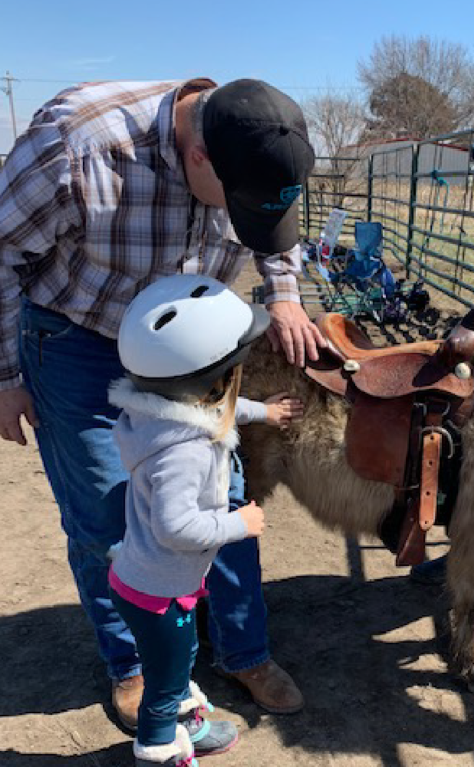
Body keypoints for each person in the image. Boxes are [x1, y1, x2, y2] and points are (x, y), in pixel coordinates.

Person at [0, 77, 325, 727]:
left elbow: (273, 231)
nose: (246, 222)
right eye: (238, 206)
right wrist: (6, 373)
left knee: (222, 494)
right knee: (107, 512)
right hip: (79, 337)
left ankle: (242, 649)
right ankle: (135, 664)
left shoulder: (254, 141)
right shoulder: (77, 145)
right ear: (197, 156)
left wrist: (284, 292)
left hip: (188, 347)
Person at [109, 274, 303, 766]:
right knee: (167, 676)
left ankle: (184, 718)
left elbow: (220, 411)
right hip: (160, 592)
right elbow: (176, 528)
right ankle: (162, 748)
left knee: (177, 660)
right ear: (217, 381)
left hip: (150, 582)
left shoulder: (162, 414)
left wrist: (263, 412)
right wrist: (241, 525)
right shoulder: (186, 453)